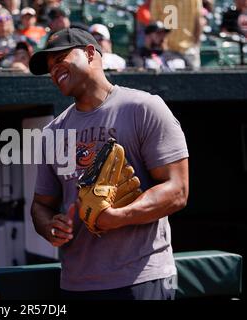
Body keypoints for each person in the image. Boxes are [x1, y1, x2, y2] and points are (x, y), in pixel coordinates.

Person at [28, 28, 189, 300]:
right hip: (77, 284)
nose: (54, 70)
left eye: (60, 59)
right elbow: (40, 205)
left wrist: (118, 217)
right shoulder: (53, 132)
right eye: (50, 67)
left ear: (91, 53)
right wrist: (50, 227)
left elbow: (178, 190)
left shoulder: (143, 108)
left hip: (142, 277)